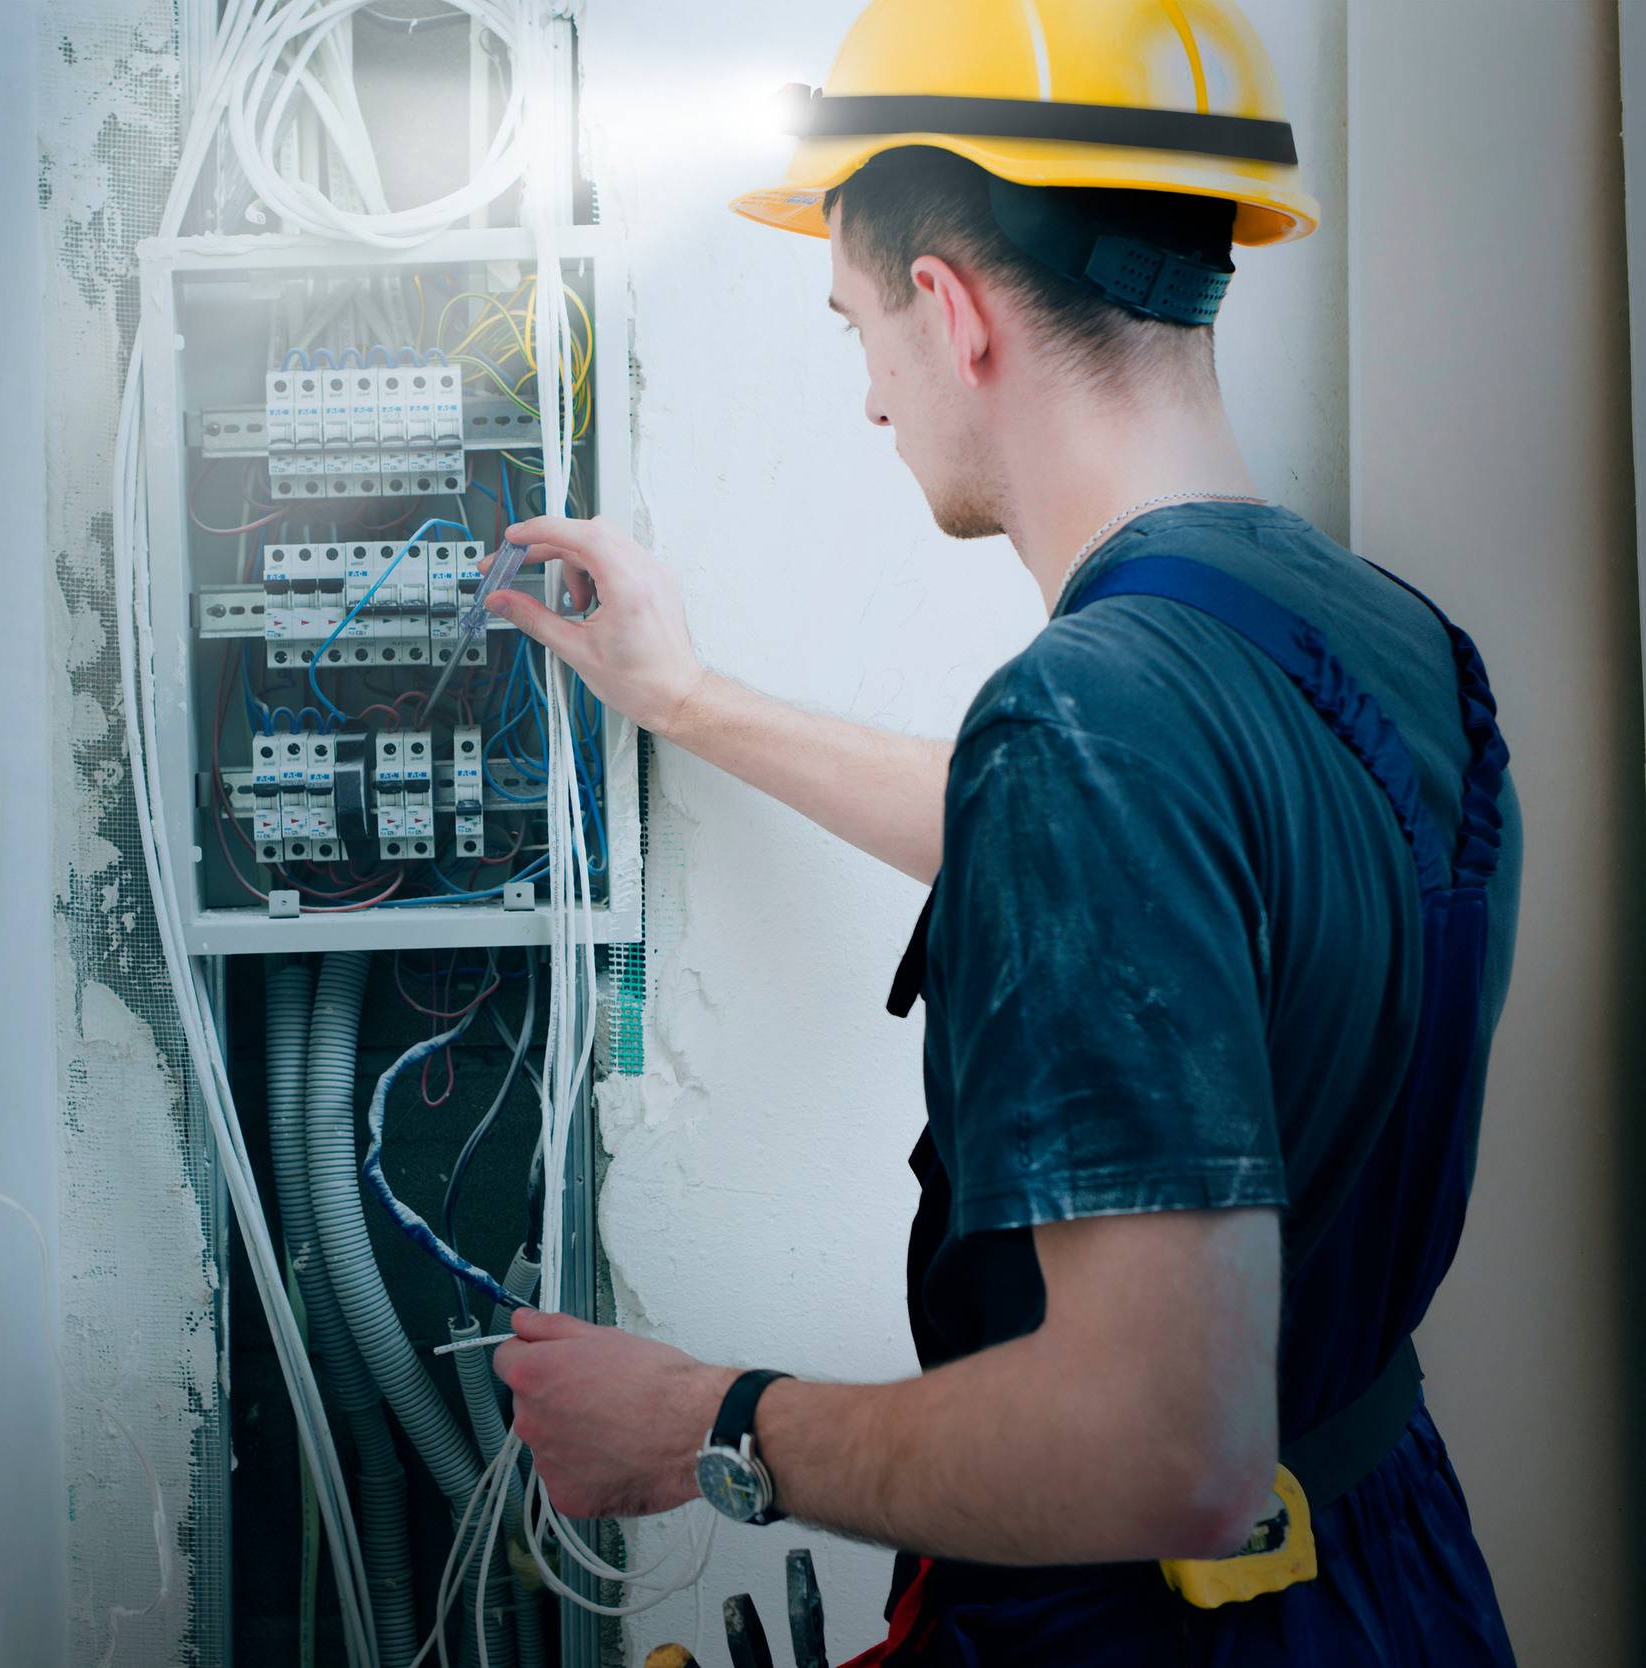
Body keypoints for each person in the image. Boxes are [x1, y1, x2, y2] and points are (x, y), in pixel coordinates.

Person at [485, 3, 1522, 1662]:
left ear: (951, 313)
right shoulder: (1383, 645)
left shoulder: (1088, 720)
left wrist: (702, 1422)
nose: (873, 401)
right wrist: (686, 700)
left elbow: (1158, 1454)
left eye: (856, 330)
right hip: (1388, 1583)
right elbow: (1132, 895)